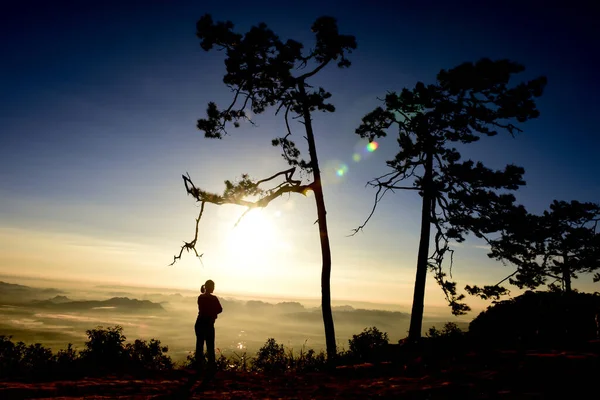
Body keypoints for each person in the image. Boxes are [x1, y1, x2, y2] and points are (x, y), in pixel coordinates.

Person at [195, 279, 222, 377]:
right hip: (208, 324)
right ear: (211, 287)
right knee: (210, 347)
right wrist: (213, 314)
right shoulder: (213, 299)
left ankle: (199, 367)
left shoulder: (200, 297)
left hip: (199, 323)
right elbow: (220, 309)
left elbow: (202, 309)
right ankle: (210, 368)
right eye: (213, 286)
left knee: (199, 345)